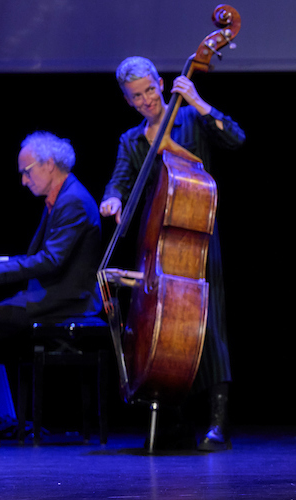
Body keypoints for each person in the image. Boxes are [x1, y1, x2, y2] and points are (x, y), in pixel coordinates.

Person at [100, 56, 245, 451]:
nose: (146, 100)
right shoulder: (131, 140)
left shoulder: (191, 118)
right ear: (128, 100)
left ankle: (218, 424)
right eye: (136, 96)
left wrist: (198, 101)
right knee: (161, 332)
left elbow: (236, 138)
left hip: (197, 236)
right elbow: (119, 180)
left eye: (149, 90)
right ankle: (175, 420)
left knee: (209, 329)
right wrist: (113, 199)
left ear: (160, 84)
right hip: (157, 242)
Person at [0, 132, 102, 443]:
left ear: (49, 164)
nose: (23, 180)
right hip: (54, 293)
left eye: (27, 171)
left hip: (68, 299)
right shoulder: (61, 197)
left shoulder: (72, 201)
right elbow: (42, 258)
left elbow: (51, 260)